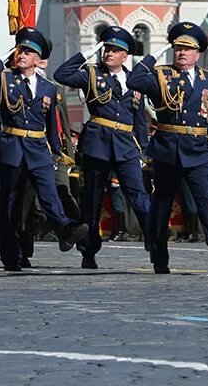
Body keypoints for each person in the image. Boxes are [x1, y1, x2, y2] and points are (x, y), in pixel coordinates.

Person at [0, 27, 89, 271]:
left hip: (38, 150)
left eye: (28, 52)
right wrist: (2, 58)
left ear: (39, 60)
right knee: (10, 205)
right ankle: (10, 255)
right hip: (12, 149)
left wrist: (58, 152)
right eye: (20, 50)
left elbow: (50, 123)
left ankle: (66, 228)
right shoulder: (5, 80)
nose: (22, 54)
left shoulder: (48, 88)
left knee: (49, 194)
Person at [126, 22, 208, 273]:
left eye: (187, 49)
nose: (181, 53)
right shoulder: (160, 75)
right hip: (168, 149)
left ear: (197, 54)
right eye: (177, 48)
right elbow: (134, 81)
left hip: (198, 149)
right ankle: (158, 253)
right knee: (162, 205)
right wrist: (151, 56)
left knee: (206, 197)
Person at [54, 25, 151, 269]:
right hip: (97, 144)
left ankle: (154, 238)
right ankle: (88, 251)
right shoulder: (91, 74)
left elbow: (140, 119)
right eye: (107, 48)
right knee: (92, 199)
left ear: (125, 55)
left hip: (127, 146)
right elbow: (62, 74)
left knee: (138, 196)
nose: (109, 53)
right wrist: (88, 53)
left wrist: (143, 151)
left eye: (115, 50)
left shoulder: (135, 80)